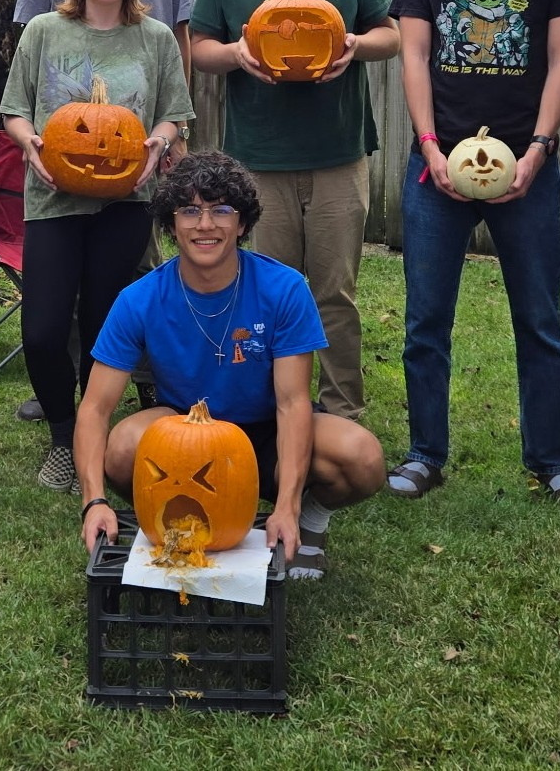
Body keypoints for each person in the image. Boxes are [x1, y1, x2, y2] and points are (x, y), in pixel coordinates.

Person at [390, 0, 560, 508]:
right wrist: (428, 146)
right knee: (426, 320)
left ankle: (552, 460)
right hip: (439, 169)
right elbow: (414, 54)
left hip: (525, 166)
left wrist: (539, 148)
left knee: (538, 319)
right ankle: (424, 454)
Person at [76, 152, 387, 578]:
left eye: (221, 210)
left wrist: (287, 507)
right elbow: (95, 409)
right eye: (190, 211)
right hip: (185, 433)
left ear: (242, 224)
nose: (205, 224)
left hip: (266, 430)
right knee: (123, 448)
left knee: (361, 456)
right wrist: (94, 501)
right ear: (171, 225)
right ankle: (180, 514)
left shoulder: (284, 288)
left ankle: (310, 523)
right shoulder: (139, 299)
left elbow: (293, 403)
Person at [189, 0, 399, 422]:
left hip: (338, 151)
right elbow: (199, 46)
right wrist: (237, 54)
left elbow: (391, 34)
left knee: (335, 293)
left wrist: (354, 46)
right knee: (262, 295)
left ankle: (340, 412)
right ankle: (266, 410)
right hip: (258, 158)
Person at [12, 0, 198, 423]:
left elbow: (177, 69)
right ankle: (62, 408)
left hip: (130, 179)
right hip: (56, 185)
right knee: (48, 321)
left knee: (117, 306)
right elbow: (21, 90)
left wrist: (169, 136)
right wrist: (31, 138)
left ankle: (110, 411)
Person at [0, 0, 194, 492]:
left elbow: (174, 112)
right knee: (43, 330)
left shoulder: (154, 37)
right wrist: (29, 142)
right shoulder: (44, 31)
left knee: (104, 327)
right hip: (53, 199)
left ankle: (90, 433)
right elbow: (14, 110)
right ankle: (63, 434)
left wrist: (158, 140)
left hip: (126, 202)